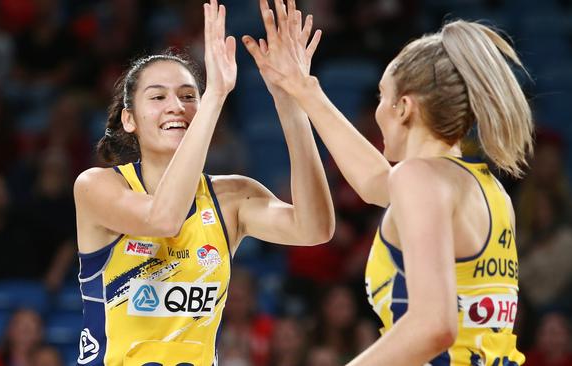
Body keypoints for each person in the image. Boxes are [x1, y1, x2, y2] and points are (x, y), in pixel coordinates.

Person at [243, 0, 533, 364]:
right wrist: (303, 90)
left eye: (383, 96)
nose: (377, 109)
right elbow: (375, 182)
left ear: (404, 107)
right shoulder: (485, 188)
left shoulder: (420, 180)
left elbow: (434, 326)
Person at [72, 0, 333, 365]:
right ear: (129, 119)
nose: (176, 106)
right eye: (158, 97)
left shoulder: (233, 196)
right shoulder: (97, 186)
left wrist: (291, 104)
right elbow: (164, 219)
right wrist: (213, 97)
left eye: (188, 96)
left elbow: (315, 229)